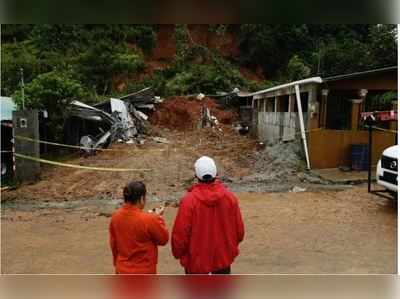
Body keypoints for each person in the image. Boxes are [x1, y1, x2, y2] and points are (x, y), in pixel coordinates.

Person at [171, 156, 245, 274]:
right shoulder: (230, 198)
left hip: (196, 264)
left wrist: (180, 254)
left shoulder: (189, 202)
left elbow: (180, 236)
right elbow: (239, 232)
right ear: (216, 173)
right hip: (223, 261)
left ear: (196, 175)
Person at [109, 181, 169, 274]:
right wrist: (158, 218)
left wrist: (117, 264)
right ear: (141, 198)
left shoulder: (115, 217)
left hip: (122, 269)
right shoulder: (149, 219)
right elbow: (163, 239)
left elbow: (113, 244)